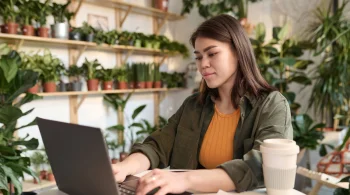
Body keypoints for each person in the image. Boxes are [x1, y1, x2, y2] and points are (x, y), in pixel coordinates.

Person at [112, 14, 293, 195]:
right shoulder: (194, 105)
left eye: (212, 54)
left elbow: (263, 164)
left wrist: (184, 180)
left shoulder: (272, 105)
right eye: (198, 57)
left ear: (238, 52)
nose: (203, 64)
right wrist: (124, 167)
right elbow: (157, 146)